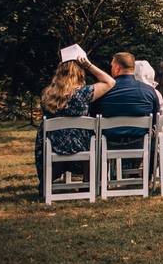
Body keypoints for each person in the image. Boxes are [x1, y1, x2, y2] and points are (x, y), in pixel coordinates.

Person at [35, 57, 116, 196]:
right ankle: (88, 182)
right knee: (96, 142)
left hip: (53, 145)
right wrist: (89, 65)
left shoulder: (47, 95)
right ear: (80, 74)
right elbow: (110, 82)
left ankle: (47, 179)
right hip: (81, 145)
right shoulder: (83, 93)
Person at [93, 52, 160, 149]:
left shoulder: (103, 91)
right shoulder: (149, 91)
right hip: (141, 145)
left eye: (112, 66)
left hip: (108, 145)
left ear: (117, 68)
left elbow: (94, 117)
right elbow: (155, 120)